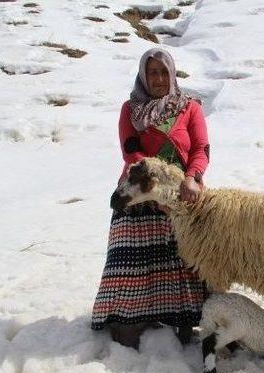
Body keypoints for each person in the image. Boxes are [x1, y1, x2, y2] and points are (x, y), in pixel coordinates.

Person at [91, 48, 210, 349]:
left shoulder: (190, 108)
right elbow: (130, 151)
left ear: (172, 74)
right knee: (132, 259)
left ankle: (183, 320)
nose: (158, 78)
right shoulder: (130, 110)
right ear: (144, 76)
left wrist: (191, 178)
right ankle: (129, 320)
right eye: (152, 72)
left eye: (163, 72)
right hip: (138, 192)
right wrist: (152, 183)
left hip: (182, 195)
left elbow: (201, 148)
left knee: (184, 259)